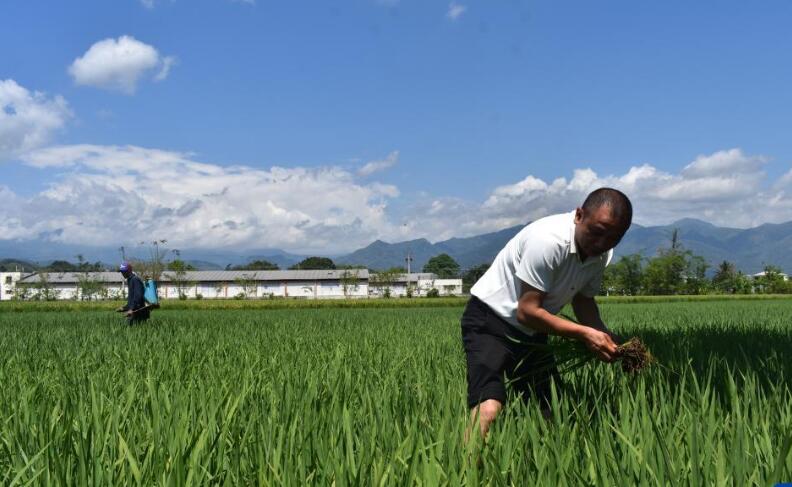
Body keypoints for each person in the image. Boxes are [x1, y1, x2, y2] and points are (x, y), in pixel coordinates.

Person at [463, 187, 632, 438]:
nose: (602, 244)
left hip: (533, 333)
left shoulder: (602, 253)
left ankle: (548, 467)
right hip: (491, 323)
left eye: (613, 238)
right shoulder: (547, 242)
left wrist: (608, 340)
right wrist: (585, 334)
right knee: (489, 408)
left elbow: (584, 302)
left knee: (552, 412)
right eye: (597, 232)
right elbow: (527, 312)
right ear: (578, 215)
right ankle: (466, 473)